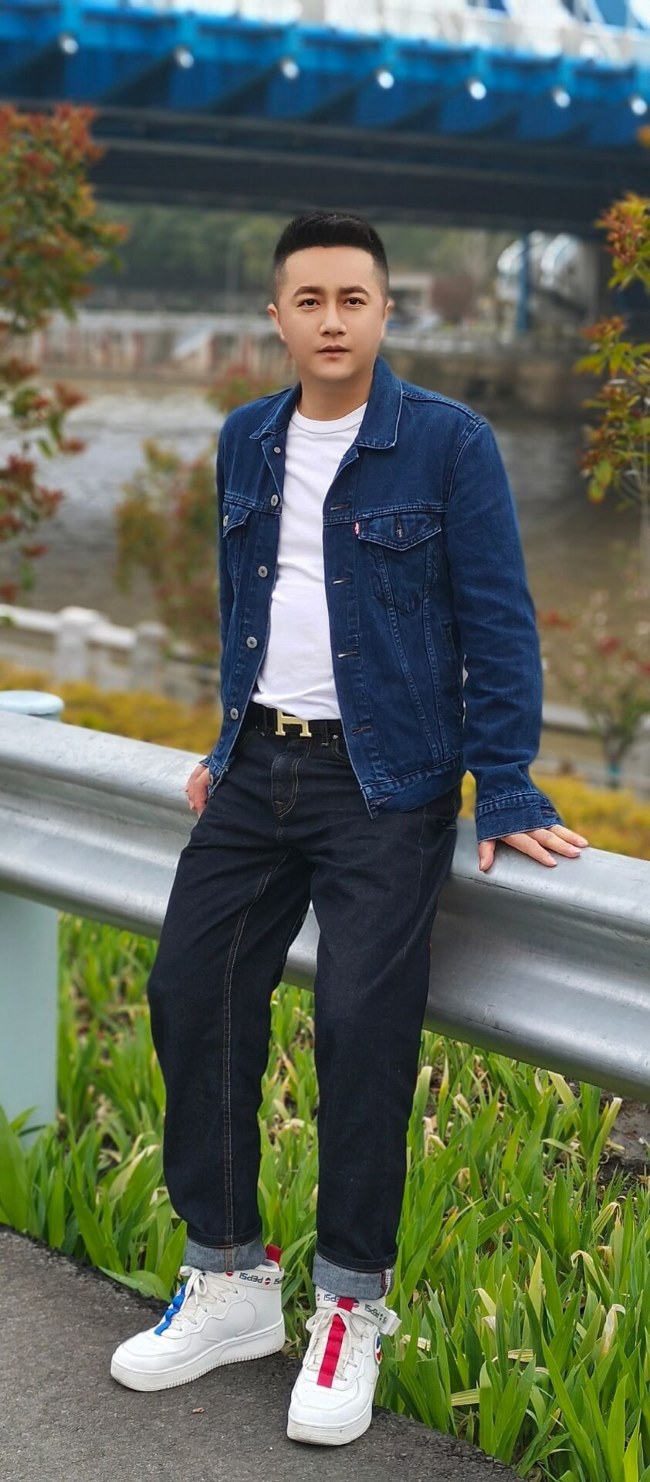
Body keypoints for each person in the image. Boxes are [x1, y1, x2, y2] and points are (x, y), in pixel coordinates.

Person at [110, 211, 589, 1446]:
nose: (331, 320)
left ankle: (348, 1307)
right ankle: (228, 1281)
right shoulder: (246, 438)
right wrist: (226, 737)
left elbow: (497, 619)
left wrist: (506, 784)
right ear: (276, 316)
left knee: (362, 1029)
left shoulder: (448, 442)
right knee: (190, 989)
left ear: (383, 313)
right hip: (256, 765)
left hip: (386, 785)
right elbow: (250, 601)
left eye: (353, 299)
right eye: (309, 300)